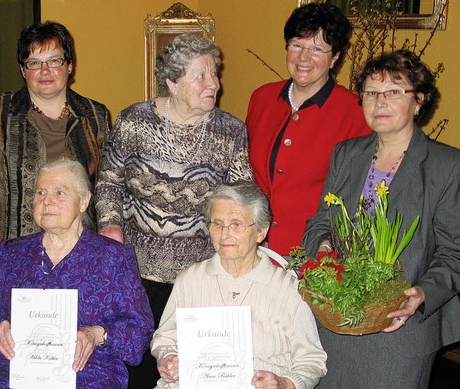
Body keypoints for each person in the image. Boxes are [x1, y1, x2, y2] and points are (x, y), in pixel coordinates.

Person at [95, 33, 254, 388]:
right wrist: (110, 225)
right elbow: (108, 180)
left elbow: (242, 195)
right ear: (172, 82)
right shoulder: (135, 121)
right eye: (202, 75)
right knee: (137, 366)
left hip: (198, 275)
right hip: (137, 270)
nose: (214, 84)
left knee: (188, 369)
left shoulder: (230, 131)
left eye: (215, 74)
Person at [303, 50, 460, 387]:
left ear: (418, 101)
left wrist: (421, 293)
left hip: (399, 330)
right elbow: (320, 222)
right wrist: (325, 249)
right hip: (336, 321)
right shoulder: (346, 154)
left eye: (393, 92)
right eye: (371, 93)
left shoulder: (447, 166)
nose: (379, 102)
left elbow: (454, 253)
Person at [0, 158, 154, 388]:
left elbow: (140, 333)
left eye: (60, 193)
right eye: (40, 193)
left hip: (88, 375)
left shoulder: (113, 258)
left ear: (84, 201)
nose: (47, 202)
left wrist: (97, 334)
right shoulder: (13, 253)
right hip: (18, 375)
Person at [152, 181, 327, 389]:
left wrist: (284, 383)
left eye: (236, 224)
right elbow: (165, 338)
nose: (224, 234)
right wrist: (168, 358)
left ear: (261, 231)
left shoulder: (287, 289)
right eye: (217, 224)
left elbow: (312, 360)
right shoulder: (190, 280)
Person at [0, 21, 110, 285]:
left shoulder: (95, 115)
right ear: (22, 69)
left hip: (81, 251)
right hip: (19, 253)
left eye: (54, 61)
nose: (45, 71)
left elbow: (106, 188)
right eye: (34, 62)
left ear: (70, 65)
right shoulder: (1, 113)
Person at [246, 2, 371, 257]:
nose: (304, 57)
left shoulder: (355, 113)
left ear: (335, 57)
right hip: (252, 252)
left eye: (317, 49)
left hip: (312, 256)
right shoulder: (262, 98)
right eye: (297, 45)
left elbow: (355, 200)